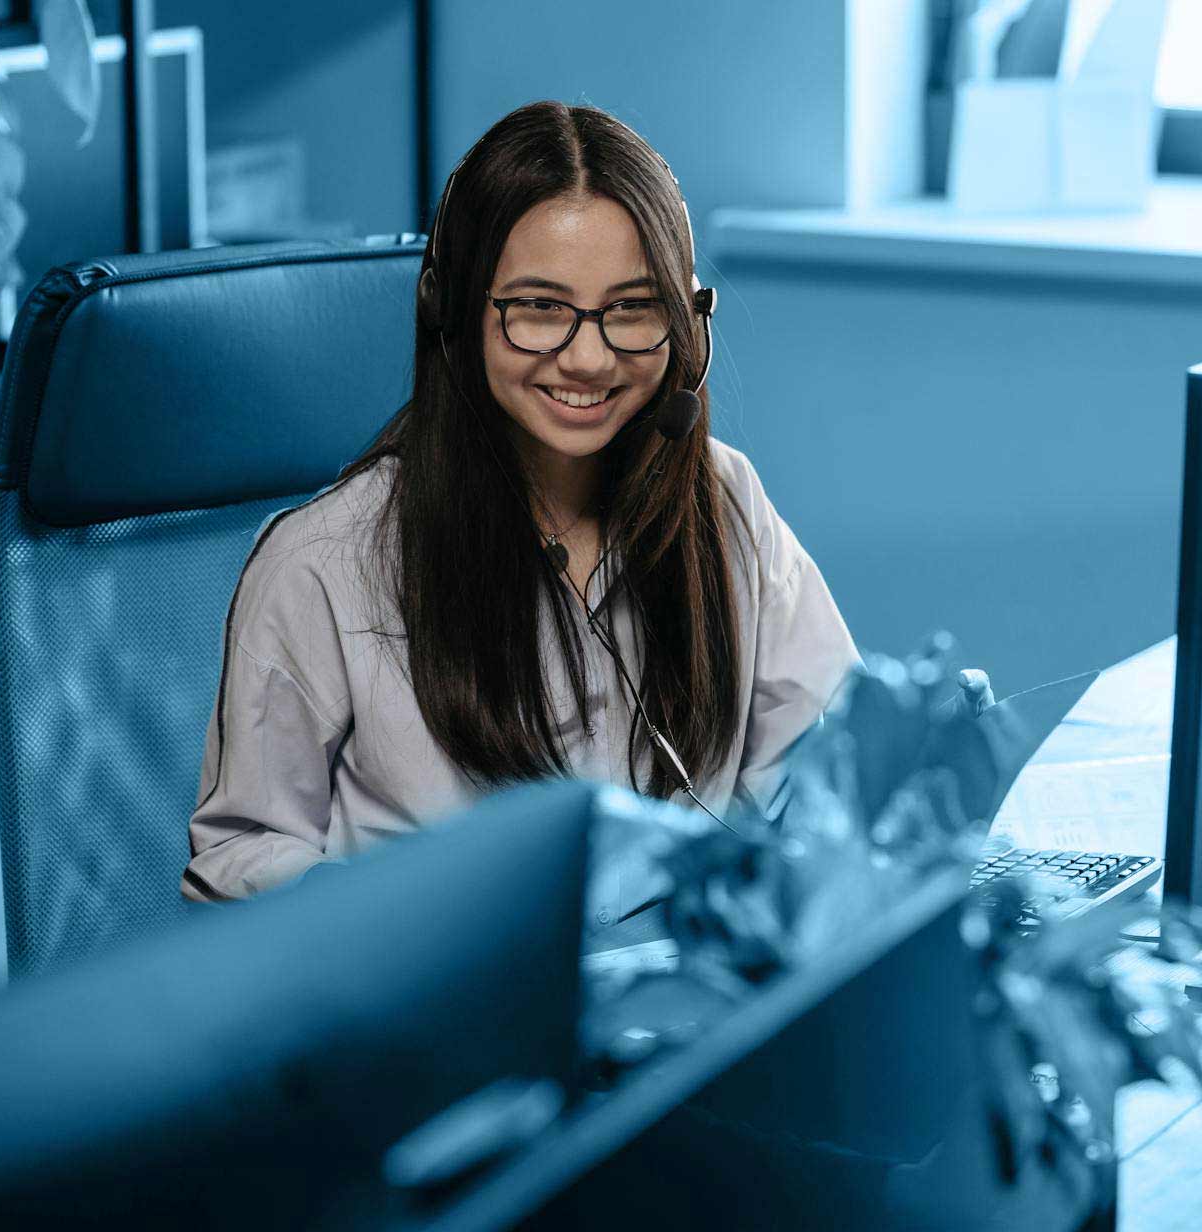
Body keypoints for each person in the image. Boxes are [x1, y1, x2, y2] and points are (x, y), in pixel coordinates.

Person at [182, 101, 859, 903]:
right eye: (539, 308)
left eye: (632, 309)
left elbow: (826, 768)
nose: (588, 356)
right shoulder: (322, 563)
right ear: (454, 313)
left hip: (686, 996)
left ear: (687, 327)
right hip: (448, 1007)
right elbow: (237, 862)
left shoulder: (724, 503)